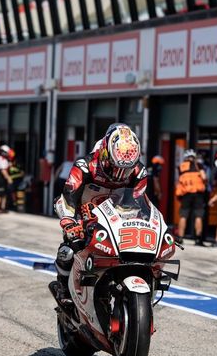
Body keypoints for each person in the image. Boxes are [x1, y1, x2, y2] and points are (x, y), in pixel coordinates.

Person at [50, 123, 147, 303]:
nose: (119, 174)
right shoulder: (85, 166)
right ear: (104, 153)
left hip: (118, 219)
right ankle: (64, 290)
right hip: (83, 215)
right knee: (69, 250)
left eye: (126, 169)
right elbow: (68, 196)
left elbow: (139, 204)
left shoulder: (139, 172)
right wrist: (70, 222)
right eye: (115, 167)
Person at [176, 149, 207, 246]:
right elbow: (204, 177)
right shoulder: (199, 165)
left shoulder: (181, 167)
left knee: (183, 216)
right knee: (198, 216)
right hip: (197, 194)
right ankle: (198, 239)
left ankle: (180, 238)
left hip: (185, 194)